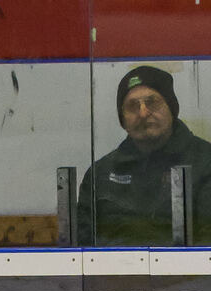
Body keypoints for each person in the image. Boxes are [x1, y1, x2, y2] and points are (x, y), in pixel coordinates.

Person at [78, 65, 211, 246]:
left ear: (171, 109)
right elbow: (82, 250)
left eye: (152, 102)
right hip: (116, 273)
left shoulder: (206, 162)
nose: (143, 112)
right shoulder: (100, 174)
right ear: (123, 120)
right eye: (132, 106)